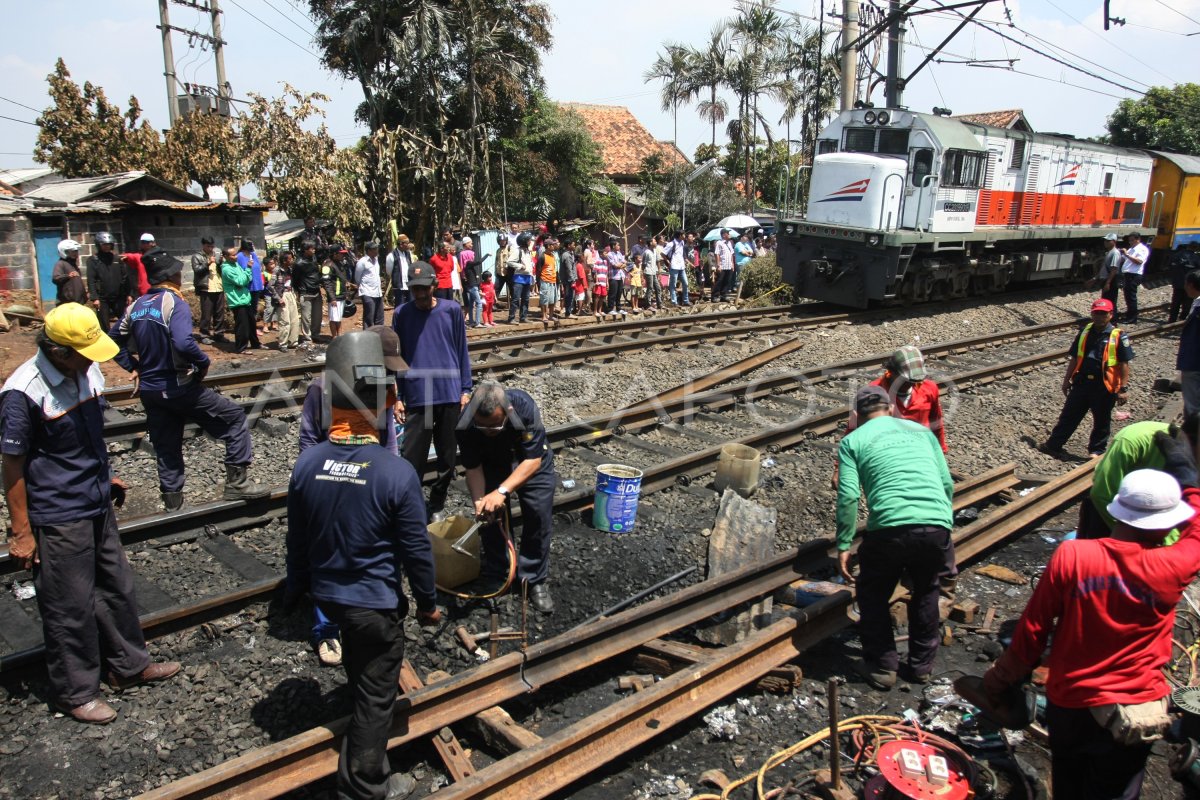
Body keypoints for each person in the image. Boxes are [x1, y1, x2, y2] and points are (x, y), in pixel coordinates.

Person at [978, 444, 1200, 800]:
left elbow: (1032, 632)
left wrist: (998, 680)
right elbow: (1197, 530)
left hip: (1071, 704)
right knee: (1116, 790)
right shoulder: (1177, 565)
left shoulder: (1074, 555)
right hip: (1134, 712)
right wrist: (1189, 480)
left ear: (1118, 512)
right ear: (1166, 522)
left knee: (1069, 779)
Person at [1, 303, 180, 724]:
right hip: (59, 510)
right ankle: (76, 691)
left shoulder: (88, 370)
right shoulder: (23, 390)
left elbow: (88, 435)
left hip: (95, 498)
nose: (92, 361)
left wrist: (108, 475)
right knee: (69, 604)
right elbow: (11, 465)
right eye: (85, 353)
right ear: (60, 351)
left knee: (117, 586)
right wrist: (21, 531)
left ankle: (129, 665)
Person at [286, 331, 440, 800]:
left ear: (330, 403)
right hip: (373, 604)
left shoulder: (308, 464)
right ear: (386, 402)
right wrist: (428, 603)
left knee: (358, 671)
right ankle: (366, 786)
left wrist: (298, 592)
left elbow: (297, 544)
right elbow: (416, 550)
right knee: (377, 695)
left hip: (328, 602)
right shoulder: (396, 473)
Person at [111, 248, 269, 511]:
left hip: (150, 391)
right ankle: (237, 483)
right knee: (233, 418)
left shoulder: (136, 306)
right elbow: (183, 342)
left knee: (166, 445)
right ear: (171, 275)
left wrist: (133, 365)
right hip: (178, 387)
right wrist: (203, 362)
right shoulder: (175, 303)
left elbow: (112, 339)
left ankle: (173, 504)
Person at [837, 385, 954, 690]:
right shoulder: (922, 432)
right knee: (927, 591)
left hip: (890, 528)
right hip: (936, 525)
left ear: (858, 417)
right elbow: (946, 484)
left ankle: (882, 667)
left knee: (873, 593)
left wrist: (845, 544)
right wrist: (943, 525)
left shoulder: (852, 441)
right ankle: (921, 667)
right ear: (890, 409)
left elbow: (849, 497)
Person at [457, 381, 556, 614]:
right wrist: (480, 501)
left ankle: (533, 580)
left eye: (494, 426)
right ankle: (499, 572)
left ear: (508, 412)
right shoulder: (463, 423)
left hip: (530, 462)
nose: (488, 432)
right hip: (493, 463)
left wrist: (501, 492)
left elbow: (533, 461)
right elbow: (473, 468)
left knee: (538, 514)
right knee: (490, 517)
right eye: (481, 427)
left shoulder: (523, 406)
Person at [391, 261, 472, 517]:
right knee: (411, 458)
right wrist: (398, 397)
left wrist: (465, 389)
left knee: (447, 459)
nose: (421, 294)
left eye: (425, 288)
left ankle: (437, 502)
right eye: (416, 290)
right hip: (417, 395)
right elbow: (397, 357)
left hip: (449, 393)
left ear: (434, 286)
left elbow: (461, 351)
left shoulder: (451, 311)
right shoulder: (401, 314)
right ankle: (411, 507)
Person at [1041, 298, 1133, 458]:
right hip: (1082, 382)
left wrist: (1123, 389)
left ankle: (1096, 451)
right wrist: (1066, 380)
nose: (1099, 317)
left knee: (1102, 420)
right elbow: (1075, 358)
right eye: (1096, 313)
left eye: (1103, 314)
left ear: (1111, 315)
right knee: (1069, 415)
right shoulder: (1084, 332)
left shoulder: (1117, 336)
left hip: (1104, 385)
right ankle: (1053, 445)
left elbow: (1124, 364)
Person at [86, 232, 131, 331]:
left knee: (125, 322)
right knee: (104, 325)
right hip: (102, 299)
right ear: (99, 245)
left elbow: (125, 277)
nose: (107, 247)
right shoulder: (93, 260)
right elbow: (91, 280)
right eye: (104, 244)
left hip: (118, 297)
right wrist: (94, 298)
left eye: (109, 244)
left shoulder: (117, 259)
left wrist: (128, 294)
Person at [221, 245, 258, 353]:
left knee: (251, 323)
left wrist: (246, 276)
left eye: (235, 254)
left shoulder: (235, 264)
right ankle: (241, 347)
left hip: (245, 298)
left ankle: (256, 343)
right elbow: (241, 281)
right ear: (226, 256)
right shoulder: (227, 269)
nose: (236, 257)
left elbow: (247, 279)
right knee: (242, 326)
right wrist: (248, 269)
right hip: (237, 300)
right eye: (233, 255)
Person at [191, 236, 227, 344]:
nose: (211, 248)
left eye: (212, 246)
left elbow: (221, 270)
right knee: (206, 314)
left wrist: (220, 262)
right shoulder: (197, 257)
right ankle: (204, 335)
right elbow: (197, 270)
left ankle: (219, 334)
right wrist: (208, 263)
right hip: (206, 288)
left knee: (219, 313)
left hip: (218, 287)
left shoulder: (216, 255)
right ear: (203, 246)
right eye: (208, 246)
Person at [293, 240, 323, 346]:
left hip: (316, 290)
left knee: (317, 316)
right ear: (305, 250)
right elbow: (295, 280)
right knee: (306, 317)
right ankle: (307, 337)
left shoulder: (314, 259)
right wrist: (299, 291)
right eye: (312, 248)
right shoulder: (299, 263)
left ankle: (315, 335)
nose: (314, 250)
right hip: (306, 292)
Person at [1117, 232, 1150, 324]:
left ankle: (1132, 318)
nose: (1130, 242)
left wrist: (1127, 254)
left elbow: (1139, 261)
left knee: (1131, 297)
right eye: (1129, 240)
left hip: (1134, 275)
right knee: (1128, 296)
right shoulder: (1132, 248)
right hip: (1128, 275)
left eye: (1132, 240)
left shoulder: (1142, 249)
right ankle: (1129, 316)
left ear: (1138, 239)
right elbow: (1125, 259)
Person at [1180, 270, 1200, 418]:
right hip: (1192, 361)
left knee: (1193, 406)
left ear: (1191, 285)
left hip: (1194, 362)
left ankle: (1193, 438)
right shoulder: (1196, 302)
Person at [322, 250, 354, 340]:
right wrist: (332, 298)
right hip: (335, 296)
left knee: (339, 317)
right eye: (341, 254)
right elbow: (327, 283)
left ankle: (339, 335)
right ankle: (334, 336)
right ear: (335, 254)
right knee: (333, 318)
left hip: (341, 295)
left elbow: (342, 278)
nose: (343, 256)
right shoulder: (327, 265)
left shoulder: (339, 264)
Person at [274, 251, 300, 352]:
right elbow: (270, 286)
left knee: (295, 319)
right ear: (285, 260)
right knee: (285, 321)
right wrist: (278, 298)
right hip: (282, 295)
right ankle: (283, 344)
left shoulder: (289, 270)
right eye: (290, 258)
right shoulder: (277, 271)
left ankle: (293, 342)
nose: (292, 260)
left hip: (290, 294)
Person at [355, 242, 385, 328]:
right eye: (374, 249)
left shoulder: (376, 260)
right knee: (369, 317)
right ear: (369, 251)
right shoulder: (362, 262)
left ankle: (379, 336)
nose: (377, 251)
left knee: (379, 317)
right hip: (367, 292)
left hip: (377, 292)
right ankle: (367, 337)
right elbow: (357, 277)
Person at [507, 233, 534, 324]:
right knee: (516, 299)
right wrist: (520, 266)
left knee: (526, 299)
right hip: (518, 278)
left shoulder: (527, 251)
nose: (530, 242)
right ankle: (511, 318)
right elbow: (509, 262)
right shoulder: (517, 251)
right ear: (524, 241)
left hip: (527, 278)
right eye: (529, 240)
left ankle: (523, 317)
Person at [237, 240, 264, 330]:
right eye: (250, 244)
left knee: (254, 307)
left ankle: (253, 327)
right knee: (248, 308)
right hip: (248, 286)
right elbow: (243, 269)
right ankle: (249, 328)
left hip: (256, 285)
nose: (252, 245)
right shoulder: (240, 256)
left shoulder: (253, 254)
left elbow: (258, 266)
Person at [1169, 244, 1200, 323]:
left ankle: (1172, 319)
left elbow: (1170, 266)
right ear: (1195, 248)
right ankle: (1183, 319)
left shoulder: (1177, 255)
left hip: (1177, 283)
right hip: (1190, 284)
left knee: (1175, 302)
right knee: (1187, 303)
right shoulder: (1196, 258)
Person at [51, 239, 87, 305]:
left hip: (78, 302)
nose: (75, 254)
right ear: (65, 252)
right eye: (72, 252)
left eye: (76, 251)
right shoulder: (60, 263)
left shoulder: (73, 264)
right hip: (67, 303)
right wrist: (67, 276)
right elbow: (55, 278)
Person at [120, 233, 154, 297]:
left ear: (153, 243)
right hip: (144, 293)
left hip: (157, 290)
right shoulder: (139, 257)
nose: (145, 244)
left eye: (147, 242)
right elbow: (127, 256)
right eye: (143, 242)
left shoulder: (159, 256)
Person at [662, 232, 690, 307]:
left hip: (681, 266)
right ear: (680, 235)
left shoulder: (682, 242)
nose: (685, 235)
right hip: (674, 265)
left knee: (685, 283)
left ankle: (685, 300)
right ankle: (674, 301)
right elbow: (663, 253)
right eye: (683, 234)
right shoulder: (671, 244)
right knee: (673, 284)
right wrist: (668, 262)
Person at [386, 234, 414, 308]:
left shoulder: (408, 254)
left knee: (411, 304)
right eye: (406, 243)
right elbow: (389, 271)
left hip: (409, 284)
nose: (408, 245)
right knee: (400, 305)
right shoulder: (391, 256)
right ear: (401, 244)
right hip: (399, 285)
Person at [1097, 233, 1122, 309]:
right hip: (1107, 279)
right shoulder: (1109, 252)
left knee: (1111, 301)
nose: (1105, 242)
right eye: (1105, 241)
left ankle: (1113, 319)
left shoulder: (1115, 253)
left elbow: (1114, 269)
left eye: (1108, 241)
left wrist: (1108, 283)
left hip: (1111, 280)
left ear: (1114, 241)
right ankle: (1107, 318)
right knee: (1106, 300)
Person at [538, 238, 559, 323]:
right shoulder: (542, 256)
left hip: (553, 281)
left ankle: (550, 315)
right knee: (544, 299)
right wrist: (539, 282)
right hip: (545, 280)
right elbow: (538, 270)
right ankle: (544, 316)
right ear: (548, 246)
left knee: (553, 299)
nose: (554, 246)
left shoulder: (553, 256)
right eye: (552, 245)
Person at [714, 229, 736, 302]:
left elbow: (732, 254)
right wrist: (718, 265)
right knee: (719, 280)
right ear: (724, 235)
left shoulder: (729, 243)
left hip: (729, 265)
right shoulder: (719, 243)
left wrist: (732, 264)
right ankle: (715, 296)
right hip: (722, 265)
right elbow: (717, 253)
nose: (729, 234)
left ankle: (724, 295)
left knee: (727, 281)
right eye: (728, 233)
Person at [642, 235, 661, 310]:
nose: (656, 242)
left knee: (658, 288)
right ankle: (647, 305)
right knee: (650, 288)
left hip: (654, 272)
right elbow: (644, 264)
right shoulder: (647, 252)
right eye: (654, 241)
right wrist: (642, 273)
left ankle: (660, 304)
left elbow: (657, 261)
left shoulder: (655, 251)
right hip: (648, 272)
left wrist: (659, 269)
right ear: (650, 243)